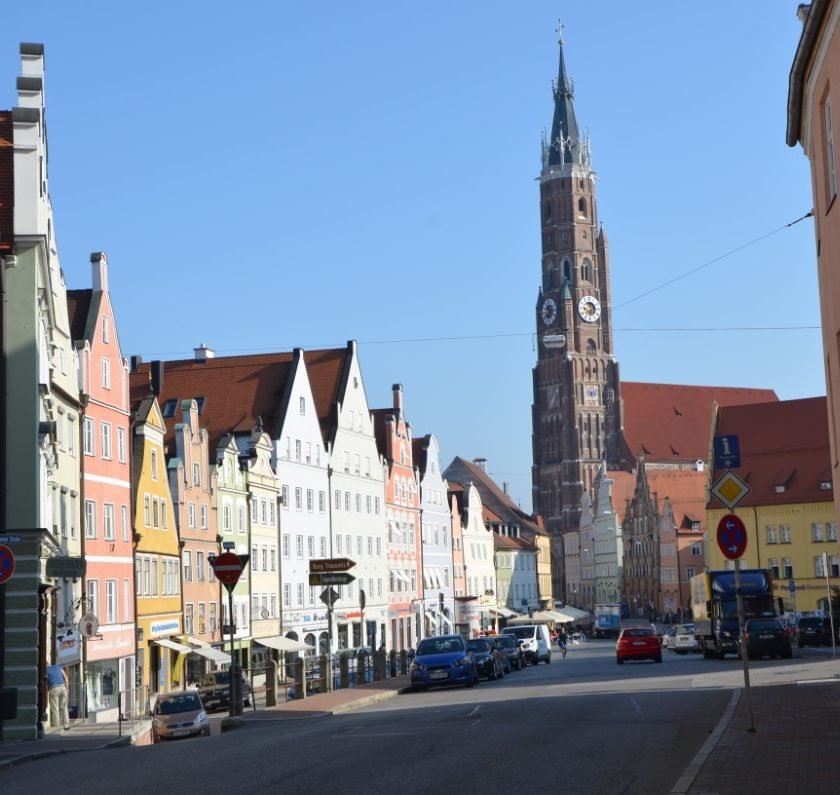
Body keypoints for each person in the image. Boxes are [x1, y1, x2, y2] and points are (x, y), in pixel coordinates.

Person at [45, 663, 70, 730]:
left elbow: (45, 680)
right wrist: (67, 688)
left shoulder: (45, 670)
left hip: (54, 688)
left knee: (55, 709)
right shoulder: (58, 667)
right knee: (64, 707)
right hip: (63, 688)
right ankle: (66, 725)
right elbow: (66, 677)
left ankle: (57, 727)